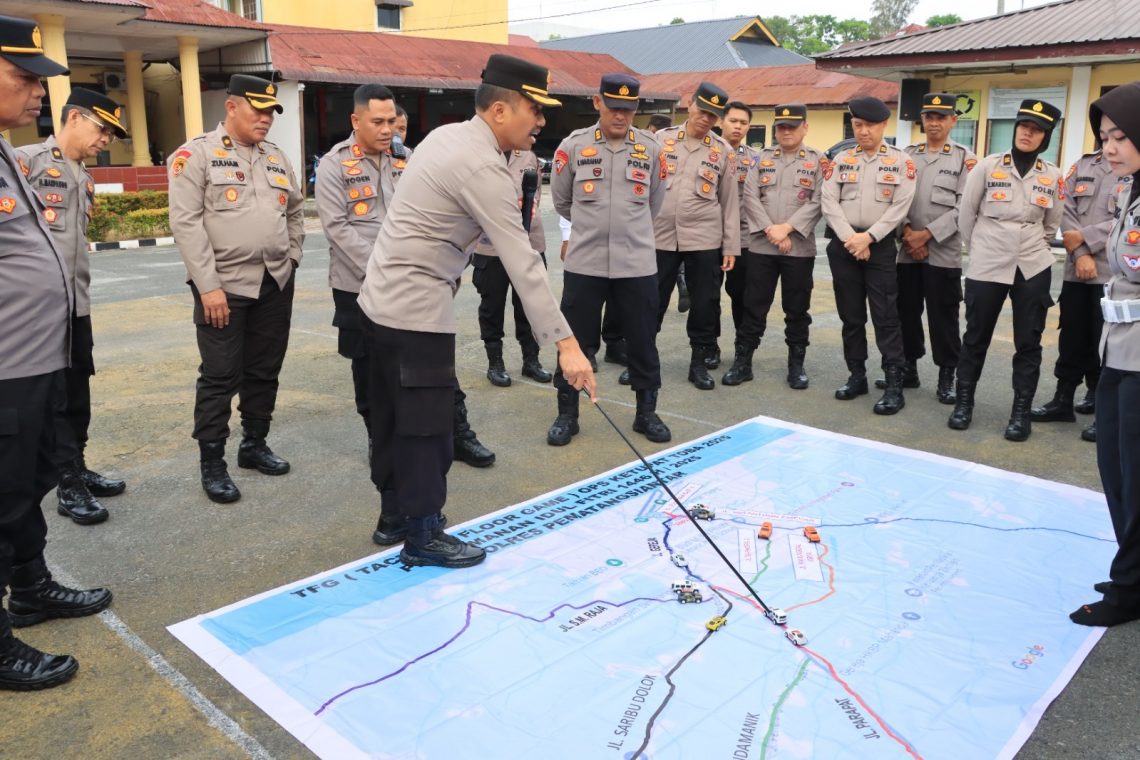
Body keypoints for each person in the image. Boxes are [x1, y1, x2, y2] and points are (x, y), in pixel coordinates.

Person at [357, 54, 595, 569]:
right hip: (416, 312)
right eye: (535, 110)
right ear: (502, 110)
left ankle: (394, 516)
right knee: (426, 426)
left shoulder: (446, 136)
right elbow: (523, 261)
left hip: (379, 302)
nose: (541, 122)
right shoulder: (482, 165)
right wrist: (568, 345)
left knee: (392, 419)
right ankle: (422, 535)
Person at [0, 14, 113, 691]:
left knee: (27, 486)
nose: (39, 93)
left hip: (38, 358)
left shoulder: (6, 151)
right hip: (7, 367)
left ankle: (33, 586)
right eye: (24, 78)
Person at [316, 85, 495, 480]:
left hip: (418, 288)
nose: (387, 129)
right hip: (357, 289)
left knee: (435, 369)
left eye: (391, 121)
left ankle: (458, 432)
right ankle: (379, 440)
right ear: (355, 121)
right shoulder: (333, 165)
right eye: (377, 122)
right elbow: (337, 229)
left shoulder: (410, 159)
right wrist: (387, 267)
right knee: (371, 376)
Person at [168, 75, 304, 502]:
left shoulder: (277, 157)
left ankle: (254, 443)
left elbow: (296, 212)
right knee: (220, 375)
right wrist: (207, 286)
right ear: (231, 107)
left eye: (270, 112)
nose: (266, 118)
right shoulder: (197, 155)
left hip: (275, 281)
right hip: (223, 287)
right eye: (258, 110)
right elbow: (185, 223)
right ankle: (213, 463)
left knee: (264, 369)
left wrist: (293, 256)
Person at [18, 88, 129, 525]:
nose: (107, 140)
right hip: (37, 312)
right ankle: (66, 484)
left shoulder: (82, 176)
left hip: (75, 307)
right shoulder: (24, 163)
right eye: (102, 129)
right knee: (56, 400)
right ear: (75, 118)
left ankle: (78, 467)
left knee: (78, 392)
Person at [548, 74, 670, 446]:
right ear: (597, 103)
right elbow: (561, 200)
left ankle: (646, 412)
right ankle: (567, 414)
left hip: (636, 265)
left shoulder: (651, 149)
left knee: (643, 341)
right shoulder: (573, 146)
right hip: (585, 265)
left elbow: (655, 202)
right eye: (614, 108)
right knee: (576, 341)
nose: (621, 116)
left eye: (629, 110)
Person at [949, 99, 1064, 441]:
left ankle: (1020, 414)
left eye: (1037, 130)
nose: (1028, 133)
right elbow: (966, 216)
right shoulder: (986, 166)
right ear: (1015, 128)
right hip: (988, 260)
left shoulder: (1052, 175)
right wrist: (983, 247)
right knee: (975, 336)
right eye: (1024, 126)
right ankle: (964, 404)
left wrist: (1032, 246)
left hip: (1032, 263)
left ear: (1046, 137)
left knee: (1028, 342)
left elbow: (1051, 223)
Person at [1070, 81, 1140, 627]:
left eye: (1118, 136)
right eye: (1103, 137)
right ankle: (1132, 568)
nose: (1109, 148)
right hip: (1118, 351)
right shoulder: (1130, 191)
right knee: (1114, 469)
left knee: (1135, 476)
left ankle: (1130, 590)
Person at [820, 96, 916, 414]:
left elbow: (900, 206)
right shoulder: (842, 160)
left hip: (881, 247)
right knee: (851, 317)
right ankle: (856, 376)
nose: (863, 131)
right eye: (858, 125)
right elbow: (829, 202)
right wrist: (851, 239)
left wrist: (869, 237)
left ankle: (893, 385)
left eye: (870, 126)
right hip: (845, 247)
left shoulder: (901, 162)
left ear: (883, 126)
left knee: (886, 318)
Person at [884, 93, 976, 404]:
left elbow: (966, 208)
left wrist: (927, 236)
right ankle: (908, 368)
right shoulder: (906, 155)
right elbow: (894, 198)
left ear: (953, 121)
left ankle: (947, 375)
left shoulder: (965, 158)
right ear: (922, 120)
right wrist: (908, 234)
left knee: (943, 317)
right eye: (928, 116)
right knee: (905, 313)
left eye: (941, 117)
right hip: (907, 250)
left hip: (943, 253)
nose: (934, 122)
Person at [729, 104, 826, 389]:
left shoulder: (819, 161)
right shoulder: (762, 158)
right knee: (753, 307)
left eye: (792, 127)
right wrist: (772, 231)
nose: (786, 132)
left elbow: (819, 201)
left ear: (805, 127)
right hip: (762, 246)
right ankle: (742, 363)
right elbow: (750, 196)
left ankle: (796, 366)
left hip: (798, 248)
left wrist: (788, 228)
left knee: (796, 309)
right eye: (781, 127)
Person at [653, 81, 740, 389]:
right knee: (651, 301)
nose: (706, 119)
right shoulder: (659, 141)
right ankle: (643, 360)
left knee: (704, 303)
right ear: (689, 105)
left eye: (713, 116)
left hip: (704, 238)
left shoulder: (723, 151)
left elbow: (730, 202)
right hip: (659, 236)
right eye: (702, 111)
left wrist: (731, 246)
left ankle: (699, 363)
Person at [1031, 145, 1120, 442]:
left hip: (1112, 273)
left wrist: (1086, 240)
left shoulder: (1132, 165)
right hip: (1076, 269)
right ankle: (1062, 400)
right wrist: (1080, 252)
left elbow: (1129, 219)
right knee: (1071, 336)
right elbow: (1066, 208)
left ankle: (1102, 409)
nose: (1110, 138)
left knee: (1106, 344)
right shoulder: (1083, 165)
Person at [472, 148, 553, 387]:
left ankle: (531, 360)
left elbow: (536, 190)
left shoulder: (528, 156)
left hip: (528, 242)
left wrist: (531, 204)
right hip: (490, 245)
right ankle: (495, 363)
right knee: (491, 306)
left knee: (530, 306)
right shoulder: (478, 154)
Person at [718, 102, 759, 358]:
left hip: (743, 239)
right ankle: (708, 347)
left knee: (741, 295)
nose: (738, 126)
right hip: (708, 236)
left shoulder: (754, 159)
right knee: (708, 297)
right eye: (733, 121)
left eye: (743, 123)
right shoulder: (708, 150)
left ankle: (741, 350)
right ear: (722, 121)